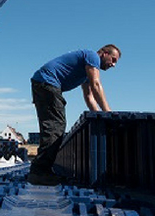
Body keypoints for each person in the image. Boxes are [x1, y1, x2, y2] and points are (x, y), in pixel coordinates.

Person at [28, 44, 121, 186]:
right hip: (47, 82)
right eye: (113, 59)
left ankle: (41, 170)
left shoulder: (86, 72)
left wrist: (99, 117)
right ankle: (39, 172)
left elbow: (89, 97)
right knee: (55, 127)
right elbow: (96, 85)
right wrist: (108, 114)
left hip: (43, 83)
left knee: (54, 126)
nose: (113, 65)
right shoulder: (92, 56)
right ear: (103, 53)